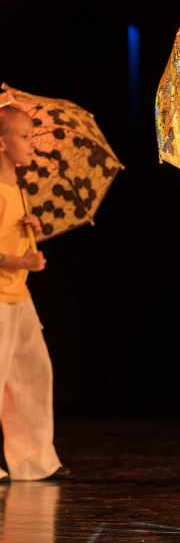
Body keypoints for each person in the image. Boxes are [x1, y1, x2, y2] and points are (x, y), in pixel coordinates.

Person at [0, 105, 68, 482]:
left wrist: (31, 229)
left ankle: (33, 461)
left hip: (17, 295)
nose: (31, 144)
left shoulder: (18, 188)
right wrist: (20, 261)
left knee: (34, 371)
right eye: (24, 137)